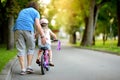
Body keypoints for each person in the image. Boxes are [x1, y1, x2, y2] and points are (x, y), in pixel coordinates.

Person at [13, 1, 46, 75]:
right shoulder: (36, 12)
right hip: (28, 29)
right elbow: (37, 24)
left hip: (17, 29)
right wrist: (43, 36)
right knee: (31, 48)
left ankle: (22, 69)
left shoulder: (23, 11)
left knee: (21, 49)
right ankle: (29, 67)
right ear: (36, 7)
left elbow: (20, 20)